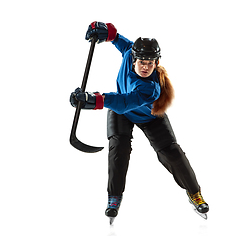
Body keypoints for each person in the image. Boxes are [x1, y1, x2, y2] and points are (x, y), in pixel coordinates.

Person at [70, 21, 209, 222]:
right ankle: (114, 196)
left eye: (150, 63)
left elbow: (124, 102)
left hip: (149, 116)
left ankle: (195, 193)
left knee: (172, 153)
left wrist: (93, 100)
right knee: (119, 148)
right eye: (142, 62)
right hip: (121, 114)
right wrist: (109, 33)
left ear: (157, 62)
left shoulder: (151, 88)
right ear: (134, 58)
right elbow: (122, 42)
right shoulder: (129, 53)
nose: (145, 67)